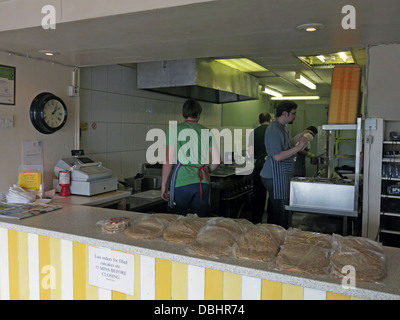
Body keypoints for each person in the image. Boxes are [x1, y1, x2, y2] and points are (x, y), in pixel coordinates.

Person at [161, 99, 220, 217]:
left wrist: (163, 185)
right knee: (199, 222)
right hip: (202, 182)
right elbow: (217, 161)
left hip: (182, 182)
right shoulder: (207, 131)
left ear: (184, 113)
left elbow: (168, 161)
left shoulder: (174, 130)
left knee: (178, 221)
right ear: (198, 115)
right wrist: (207, 170)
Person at [260, 100, 311, 228]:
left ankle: (277, 234)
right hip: (273, 176)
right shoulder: (273, 130)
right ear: (284, 113)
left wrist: (300, 137)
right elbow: (277, 157)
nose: (295, 116)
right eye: (293, 113)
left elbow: (288, 144)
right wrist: (299, 148)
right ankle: (278, 236)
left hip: (280, 175)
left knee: (278, 209)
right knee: (279, 212)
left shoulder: (281, 128)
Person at [248, 112, 272, 224]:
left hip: (258, 167)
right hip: (271, 166)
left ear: (259, 121)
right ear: (270, 120)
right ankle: (272, 223)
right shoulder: (273, 131)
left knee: (258, 196)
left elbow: (250, 153)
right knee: (273, 195)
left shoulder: (253, 132)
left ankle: (256, 221)